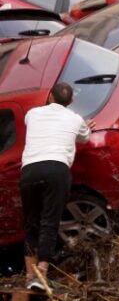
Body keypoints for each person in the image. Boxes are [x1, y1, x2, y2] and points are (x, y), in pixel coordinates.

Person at [20, 82, 94, 290]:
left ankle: (29, 277)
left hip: (30, 171)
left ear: (50, 97)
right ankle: (41, 275)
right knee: (49, 222)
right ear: (71, 102)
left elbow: (33, 125)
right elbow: (85, 138)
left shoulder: (32, 114)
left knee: (31, 223)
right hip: (57, 170)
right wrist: (86, 126)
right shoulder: (75, 119)